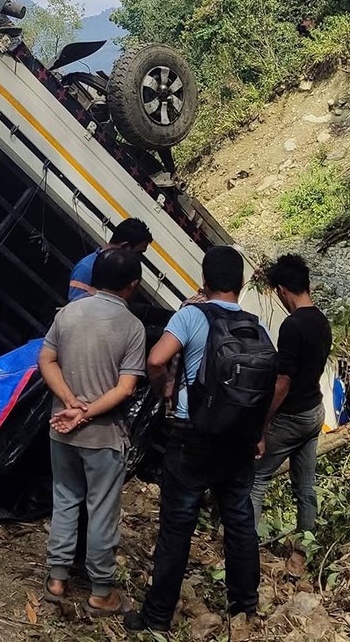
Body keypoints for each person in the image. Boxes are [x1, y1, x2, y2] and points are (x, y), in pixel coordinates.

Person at [125, 246, 271, 634]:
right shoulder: (258, 327)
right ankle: (245, 606)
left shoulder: (191, 315)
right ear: (240, 284)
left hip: (193, 435)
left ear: (203, 283)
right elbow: (265, 388)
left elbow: (156, 359)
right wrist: (259, 434)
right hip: (238, 440)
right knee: (239, 521)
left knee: (177, 525)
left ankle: (156, 617)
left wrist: (166, 388)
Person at [40, 249, 147, 616]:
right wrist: (86, 413)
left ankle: (57, 578)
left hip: (61, 427)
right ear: (133, 285)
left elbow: (46, 360)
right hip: (103, 435)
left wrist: (70, 403)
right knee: (101, 510)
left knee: (65, 499)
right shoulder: (132, 327)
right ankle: (101, 591)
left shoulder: (68, 312)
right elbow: (126, 388)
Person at [251, 254, 332, 576]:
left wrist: (262, 424)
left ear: (283, 290)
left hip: (292, 416)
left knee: (256, 478)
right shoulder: (322, 321)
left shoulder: (293, 325)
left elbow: (282, 382)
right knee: (306, 486)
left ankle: (243, 549)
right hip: (315, 411)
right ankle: (301, 556)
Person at [68, 218, 153, 301]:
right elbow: (75, 307)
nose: (138, 258)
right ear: (125, 247)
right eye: (138, 253)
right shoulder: (86, 268)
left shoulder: (122, 272)